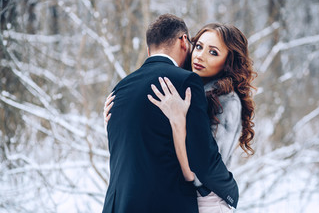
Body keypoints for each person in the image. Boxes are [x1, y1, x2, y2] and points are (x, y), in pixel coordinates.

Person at [104, 23, 257, 212]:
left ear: (228, 62)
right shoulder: (189, 89)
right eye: (199, 46)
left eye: (213, 53)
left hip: (208, 202)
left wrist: (179, 123)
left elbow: (197, 174)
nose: (200, 55)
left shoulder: (227, 101)